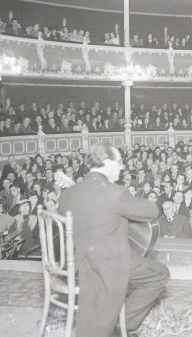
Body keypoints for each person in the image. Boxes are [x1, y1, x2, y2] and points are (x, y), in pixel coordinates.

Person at [58, 143, 169, 337]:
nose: (122, 166)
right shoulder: (116, 193)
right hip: (107, 265)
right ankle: (122, 322)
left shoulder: (68, 194)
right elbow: (152, 211)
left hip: (75, 265)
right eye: (119, 162)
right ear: (107, 163)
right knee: (159, 274)